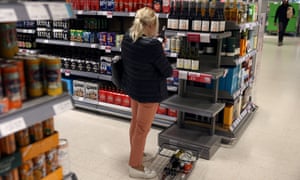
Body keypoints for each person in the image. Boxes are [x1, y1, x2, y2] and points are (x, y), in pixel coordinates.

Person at [120, 7, 173, 179]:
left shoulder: (127, 38)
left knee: (135, 124)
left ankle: (137, 153)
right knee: (142, 129)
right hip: (149, 93)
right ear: (151, 25)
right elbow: (167, 71)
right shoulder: (153, 45)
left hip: (134, 88)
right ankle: (135, 166)